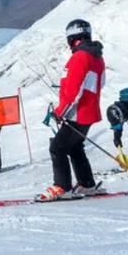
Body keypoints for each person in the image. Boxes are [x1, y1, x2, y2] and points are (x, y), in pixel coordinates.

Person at [38, 19, 106, 201]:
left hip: (78, 112)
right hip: (89, 111)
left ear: (71, 38)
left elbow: (73, 91)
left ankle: (62, 187)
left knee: (57, 148)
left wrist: (60, 111)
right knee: (75, 147)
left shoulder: (79, 57)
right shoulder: (97, 56)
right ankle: (87, 184)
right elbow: (100, 83)